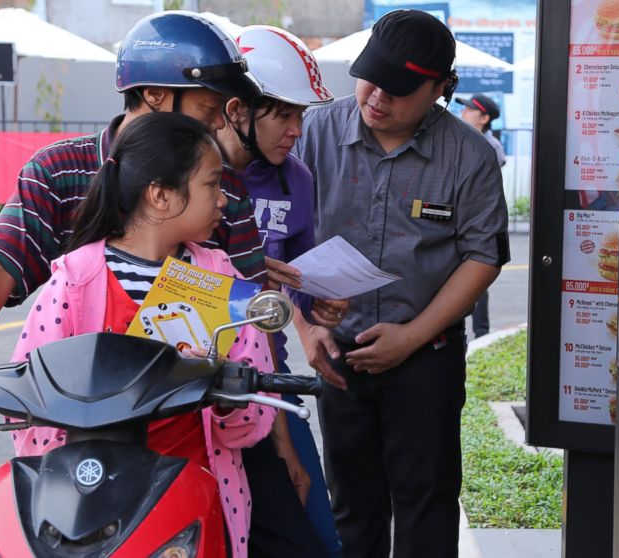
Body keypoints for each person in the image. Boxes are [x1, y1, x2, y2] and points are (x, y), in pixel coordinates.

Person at [0, 11, 268, 429]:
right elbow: (3, 260)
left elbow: (253, 314)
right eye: (209, 107)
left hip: (205, 426)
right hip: (81, 425)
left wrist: (277, 437)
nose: (220, 122)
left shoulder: (223, 188)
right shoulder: (59, 170)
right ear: (153, 94)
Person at [286, 9, 510, 558]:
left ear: (440, 88)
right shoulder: (313, 134)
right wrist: (307, 329)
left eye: (400, 88)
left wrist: (412, 337)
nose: (377, 96)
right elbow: (278, 239)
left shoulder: (469, 155)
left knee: (426, 504)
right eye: (371, 77)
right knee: (350, 505)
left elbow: (484, 256)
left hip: (425, 356)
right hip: (337, 352)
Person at [7, 112, 274, 557]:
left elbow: (252, 417)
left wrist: (232, 398)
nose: (224, 200)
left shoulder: (221, 276)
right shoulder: (75, 279)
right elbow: (32, 395)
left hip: (193, 495)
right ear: (161, 196)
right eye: (211, 184)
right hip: (87, 505)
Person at [217, 25, 347, 557]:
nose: (297, 130)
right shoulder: (185, 176)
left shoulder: (298, 178)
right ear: (238, 109)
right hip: (194, 385)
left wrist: (321, 309)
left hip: (269, 379)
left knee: (315, 532)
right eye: (285, 114)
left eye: (302, 115)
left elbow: (301, 272)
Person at [456, 93, 506, 338]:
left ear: (484, 117)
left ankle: (481, 332)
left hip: (476, 220)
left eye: (469, 109)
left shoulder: (489, 146)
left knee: (476, 275)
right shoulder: (460, 139)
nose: (464, 113)